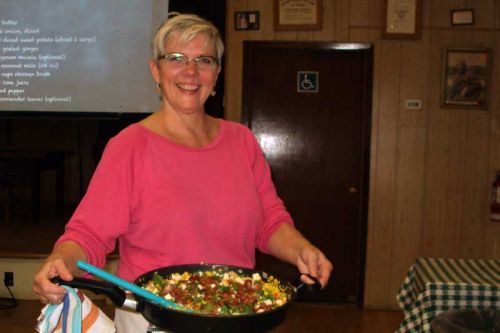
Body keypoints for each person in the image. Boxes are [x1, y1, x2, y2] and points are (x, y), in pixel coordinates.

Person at [33, 13, 333, 331]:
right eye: (176, 58)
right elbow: (88, 235)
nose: (190, 71)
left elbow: (269, 220)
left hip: (235, 315)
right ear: (156, 70)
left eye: (204, 59)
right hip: (154, 318)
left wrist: (302, 249)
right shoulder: (130, 146)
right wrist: (61, 261)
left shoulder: (241, 141)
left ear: (216, 73)